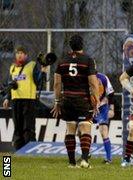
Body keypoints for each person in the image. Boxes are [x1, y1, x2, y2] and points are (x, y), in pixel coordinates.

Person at [51, 35, 100, 168]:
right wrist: (97, 101)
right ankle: (84, 159)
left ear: (70, 46)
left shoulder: (62, 61)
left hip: (67, 100)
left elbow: (57, 83)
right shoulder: (88, 60)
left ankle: (72, 163)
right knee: (85, 127)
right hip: (82, 100)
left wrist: (57, 101)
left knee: (70, 129)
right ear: (82, 45)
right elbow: (93, 83)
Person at [2, 46, 47, 150]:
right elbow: (10, 84)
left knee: (28, 127)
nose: (19, 55)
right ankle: (19, 149)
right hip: (16, 100)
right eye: (17, 53)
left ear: (26, 55)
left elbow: (38, 81)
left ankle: (29, 150)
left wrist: (43, 72)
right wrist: (7, 98)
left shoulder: (32, 65)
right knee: (17, 127)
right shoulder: (12, 67)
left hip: (29, 100)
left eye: (22, 53)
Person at [93, 72, 115, 164]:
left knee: (103, 132)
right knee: (80, 131)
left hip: (102, 107)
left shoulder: (103, 77)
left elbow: (111, 93)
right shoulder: (83, 76)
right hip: (87, 107)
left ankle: (109, 159)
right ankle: (86, 154)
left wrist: (111, 109)